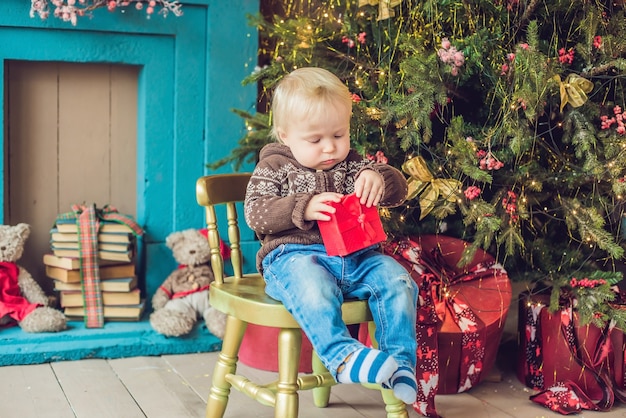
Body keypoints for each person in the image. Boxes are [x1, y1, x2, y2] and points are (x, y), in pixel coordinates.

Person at [244, 67, 418, 404]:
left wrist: (379, 177)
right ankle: (342, 357)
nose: (330, 148)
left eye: (339, 135)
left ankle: (399, 364)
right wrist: (303, 207)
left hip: (357, 258)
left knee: (398, 280)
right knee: (314, 287)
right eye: (316, 139)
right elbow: (255, 212)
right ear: (285, 135)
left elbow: (400, 191)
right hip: (294, 260)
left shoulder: (353, 166)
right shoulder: (275, 167)